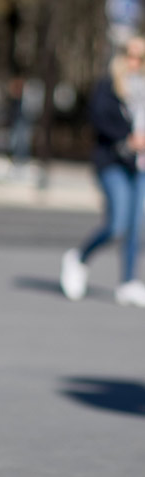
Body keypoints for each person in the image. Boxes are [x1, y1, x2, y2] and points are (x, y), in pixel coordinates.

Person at [61, 35, 145, 306]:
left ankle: (128, 282)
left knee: (136, 226)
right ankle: (79, 258)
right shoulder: (110, 86)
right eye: (132, 55)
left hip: (140, 164)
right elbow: (98, 118)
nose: (136, 62)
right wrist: (127, 138)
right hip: (112, 161)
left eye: (142, 58)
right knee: (118, 223)